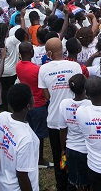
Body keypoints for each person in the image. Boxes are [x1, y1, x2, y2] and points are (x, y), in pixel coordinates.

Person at [38, 37, 82, 191]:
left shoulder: (43, 69)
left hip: (54, 120)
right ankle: (75, 182)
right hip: (74, 118)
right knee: (75, 151)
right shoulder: (75, 66)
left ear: (49, 53)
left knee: (59, 155)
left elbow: (47, 96)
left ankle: (62, 185)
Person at [0, 83, 40, 191]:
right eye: (32, 96)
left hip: (1, 183)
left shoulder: (1, 117)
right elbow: (22, 175)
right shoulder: (27, 139)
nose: (34, 98)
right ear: (29, 105)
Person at [15, 42, 50, 168]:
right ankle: (39, 160)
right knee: (39, 134)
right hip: (38, 104)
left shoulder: (18, 66)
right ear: (31, 52)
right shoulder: (37, 69)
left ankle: (31, 155)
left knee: (30, 131)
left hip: (26, 104)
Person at [57, 74, 91, 190]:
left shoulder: (64, 104)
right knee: (86, 182)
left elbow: (62, 130)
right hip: (87, 150)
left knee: (72, 180)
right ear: (85, 88)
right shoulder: (90, 104)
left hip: (70, 148)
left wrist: (63, 149)